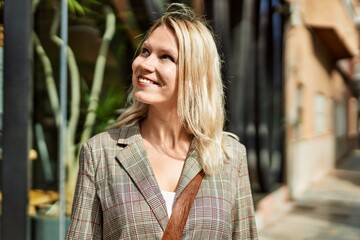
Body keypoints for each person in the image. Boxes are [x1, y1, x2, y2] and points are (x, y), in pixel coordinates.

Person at [66, 3, 258, 239]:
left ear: (194, 74)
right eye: (145, 51)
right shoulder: (100, 153)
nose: (144, 64)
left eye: (166, 57)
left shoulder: (230, 157)